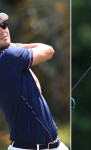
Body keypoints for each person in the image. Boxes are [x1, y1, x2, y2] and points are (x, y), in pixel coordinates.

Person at [0, 12, 69, 150]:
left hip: (54, 145)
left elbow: (37, 86)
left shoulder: (11, 60)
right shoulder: (9, 56)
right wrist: (14, 45)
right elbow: (48, 50)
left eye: (4, 25)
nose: (3, 30)